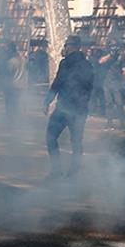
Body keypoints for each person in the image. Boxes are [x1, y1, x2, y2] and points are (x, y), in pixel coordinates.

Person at [44, 35, 94, 176]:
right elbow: (90, 87)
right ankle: (74, 172)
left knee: (50, 137)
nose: (65, 48)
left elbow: (58, 83)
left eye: (67, 45)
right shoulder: (88, 65)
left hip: (64, 107)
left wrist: (47, 101)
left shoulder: (65, 63)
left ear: (73, 46)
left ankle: (56, 170)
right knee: (76, 142)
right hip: (78, 110)